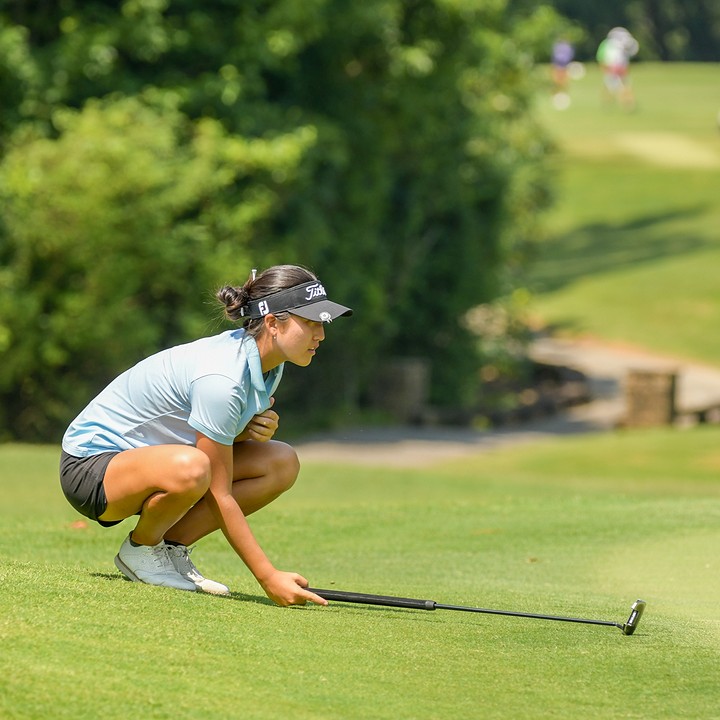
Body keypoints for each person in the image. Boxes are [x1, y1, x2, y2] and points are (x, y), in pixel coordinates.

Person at [60, 264, 352, 606]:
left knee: (280, 461)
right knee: (196, 468)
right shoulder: (223, 378)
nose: (321, 335)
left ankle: (168, 548)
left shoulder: (268, 363)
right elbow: (217, 488)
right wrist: (268, 577)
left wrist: (245, 432)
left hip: (151, 462)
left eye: (322, 323)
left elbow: (209, 440)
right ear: (273, 323)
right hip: (90, 469)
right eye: (311, 323)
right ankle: (140, 550)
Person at [596, 27, 639, 110]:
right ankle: (612, 103)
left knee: (622, 87)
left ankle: (627, 104)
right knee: (613, 87)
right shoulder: (609, 45)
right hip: (613, 69)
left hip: (616, 69)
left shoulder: (616, 45)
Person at [551, 38, 575, 110]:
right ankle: (556, 94)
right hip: (558, 64)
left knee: (564, 80)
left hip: (564, 65)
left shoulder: (561, 46)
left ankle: (563, 94)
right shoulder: (559, 47)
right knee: (557, 80)